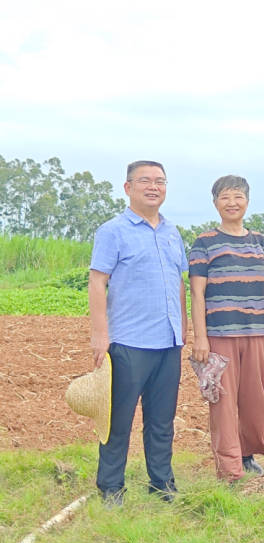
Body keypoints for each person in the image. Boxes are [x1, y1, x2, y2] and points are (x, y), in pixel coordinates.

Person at [89, 160, 188, 507]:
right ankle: (111, 487)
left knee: (162, 420)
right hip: (129, 342)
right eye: (145, 180)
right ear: (128, 188)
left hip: (168, 341)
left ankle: (162, 483)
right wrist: (100, 334)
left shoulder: (172, 232)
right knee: (118, 420)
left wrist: (183, 328)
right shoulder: (112, 231)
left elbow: (178, 282)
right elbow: (97, 282)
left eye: (160, 181)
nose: (153, 187)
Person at [188, 175, 264, 482]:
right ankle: (229, 470)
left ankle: (247, 455)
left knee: (256, 401)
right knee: (224, 402)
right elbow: (197, 293)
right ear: (215, 203)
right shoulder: (204, 243)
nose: (232, 203)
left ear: (247, 201)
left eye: (238, 197)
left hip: (256, 333)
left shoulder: (260, 242)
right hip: (219, 336)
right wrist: (200, 338)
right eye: (225, 197)